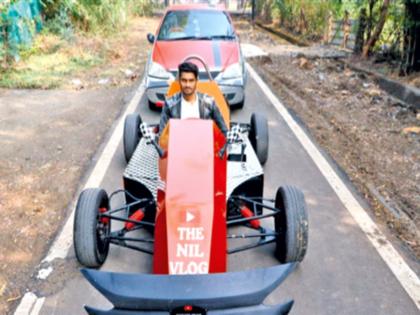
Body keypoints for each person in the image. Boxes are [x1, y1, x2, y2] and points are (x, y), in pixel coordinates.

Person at [159, 62, 228, 137]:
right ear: (179, 81)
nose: (187, 85)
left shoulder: (209, 103)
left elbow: (224, 131)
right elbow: (162, 135)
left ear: (196, 81)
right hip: (178, 146)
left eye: (191, 80)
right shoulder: (170, 104)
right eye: (184, 80)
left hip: (204, 145)